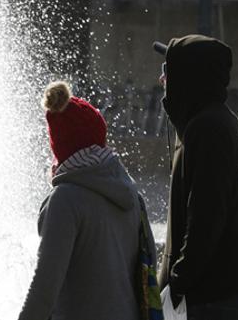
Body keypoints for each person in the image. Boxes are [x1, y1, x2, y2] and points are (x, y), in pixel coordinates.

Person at [18, 81, 158, 320]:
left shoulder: (65, 199)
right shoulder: (131, 194)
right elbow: (150, 263)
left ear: (58, 146)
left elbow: (45, 286)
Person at [153, 35, 238, 319]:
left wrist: (178, 282)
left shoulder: (207, 128)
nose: (162, 78)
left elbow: (207, 215)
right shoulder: (211, 121)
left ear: (188, 77)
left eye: (169, 71)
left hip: (212, 293)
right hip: (220, 287)